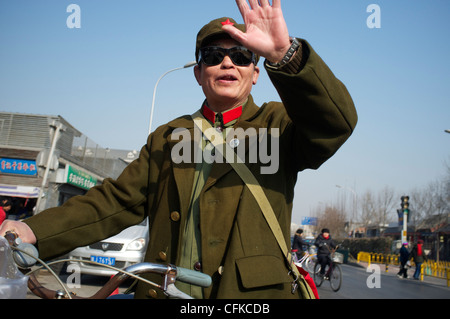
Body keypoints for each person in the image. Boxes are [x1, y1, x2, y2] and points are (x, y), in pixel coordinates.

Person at [0, 0, 357, 299]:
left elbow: (334, 124)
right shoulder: (167, 136)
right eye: (215, 55)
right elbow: (115, 201)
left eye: (243, 55)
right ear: (199, 73)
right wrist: (34, 231)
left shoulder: (279, 125)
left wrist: (286, 55)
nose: (228, 63)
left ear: (256, 73)